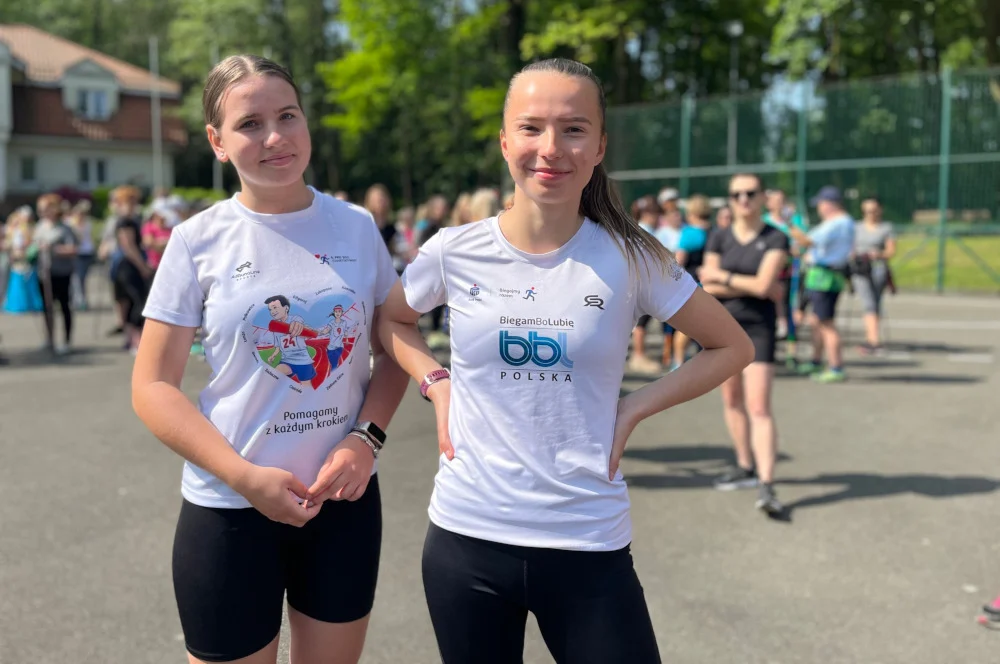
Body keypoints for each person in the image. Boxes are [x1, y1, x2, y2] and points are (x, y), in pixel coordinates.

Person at [378, 57, 753, 664]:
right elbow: (392, 320)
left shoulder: (632, 256)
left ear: (599, 146)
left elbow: (733, 346)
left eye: (574, 129)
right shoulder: (454, 250)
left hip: (587, 537)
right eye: (531, 127)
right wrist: (437, 382)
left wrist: (633, 407)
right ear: (505, 142)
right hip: (468, 536)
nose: (550, 148)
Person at [131, 54, 409, 664]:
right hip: (230, 507)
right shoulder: (197, 240)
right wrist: (242, 476)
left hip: (342, 501)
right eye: (250, 124)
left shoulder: (356, 226)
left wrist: (366, 439)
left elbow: (394, 347)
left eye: (287, 116)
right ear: (217, 142)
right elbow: (151, 386)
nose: (275, 137)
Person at [699, 175, 790, 515]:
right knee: (732, 399)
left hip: (758, 328)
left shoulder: (775, 237)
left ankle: (767, 484)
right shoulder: (719, 236)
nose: (743, 199)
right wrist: (748, 285)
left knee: (759, 406)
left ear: (763, 197)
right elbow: (706, 285)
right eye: (736, 194)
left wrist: (723, 277)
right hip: (723, 328)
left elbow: (765, 285)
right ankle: (744, 465)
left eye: (750, 193)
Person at [789, 186, 855, 383]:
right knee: (816, 320)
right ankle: (816, 360)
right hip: (821, 275)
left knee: (827, 324)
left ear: (829, 204)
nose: (819, 208)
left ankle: (836, 367)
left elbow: (807, 241)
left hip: (825, 277)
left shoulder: (837, 223)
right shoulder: (840, 223)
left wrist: (789, 224)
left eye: (820, 204)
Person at [33, 193, 79, 355]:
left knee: (64, 305)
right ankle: (49, 338)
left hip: (61, 272)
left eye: (46, 208)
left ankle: (66, 340)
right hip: (44, 273)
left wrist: (54, 249)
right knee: (47, 306)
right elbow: (34, 244)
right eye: (41, 209)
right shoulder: (40, 226)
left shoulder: (64, 228)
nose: (43, 212)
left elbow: (73, 249)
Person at [671, 194, 713, 371]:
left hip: (692, 284)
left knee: (684, 327)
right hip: (712, 285)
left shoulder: (689, 234)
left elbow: (678, 262)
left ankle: (678, 363)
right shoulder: (715, 231)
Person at [851, 195, 896, 354]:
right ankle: (873, 340)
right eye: (867, 211)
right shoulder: (856, 227)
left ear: (879, 210)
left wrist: (878, 254)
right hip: (860, 269)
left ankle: (872, 335)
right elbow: (850, 247)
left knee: (875, 303)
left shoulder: (886, 228)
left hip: (877, 268)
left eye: (873, 211)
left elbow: (891, 251)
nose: (870, 214)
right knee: (868, 302)